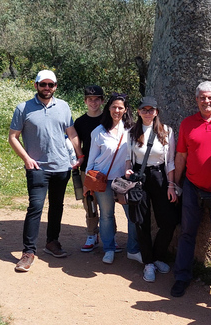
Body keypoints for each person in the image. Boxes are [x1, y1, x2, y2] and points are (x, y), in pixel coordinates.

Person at [9, 70, 82, 273]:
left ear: (56, 86)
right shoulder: (23, 108)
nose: (47, 88)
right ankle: (28, 252)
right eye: (43, 84)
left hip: (61, 166)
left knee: (57, 205)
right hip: (37, 167)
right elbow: (13, 137)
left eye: (51, 85)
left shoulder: (64, 106)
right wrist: (26, 159)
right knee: (35, 207)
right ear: (36, 85)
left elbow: (71, 132)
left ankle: (52, 242)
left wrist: (80, 155)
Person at [170, 81, 211, 297]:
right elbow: (181, 156)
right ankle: (182, 276)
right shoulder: (187, 124)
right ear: (196, 100)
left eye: (210, 97)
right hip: (192, 187)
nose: (206, 101)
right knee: (187, 233)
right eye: (202, 98)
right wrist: (175, 184)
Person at [124, 96, 178, 282]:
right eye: (144, 110)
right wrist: (128, 169)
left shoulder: (167, 131)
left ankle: (157, 256)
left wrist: (171, 185)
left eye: (151, 110)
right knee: (141, 221)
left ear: (156, 112)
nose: (148, 113)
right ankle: (148, 262)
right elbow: (128, 158)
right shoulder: (131, 132)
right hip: (140, 177)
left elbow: (170, 160)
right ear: (138, 112)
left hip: (159, 176)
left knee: (169, 221)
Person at [86, 93, 133, 264]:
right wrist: (87, 182)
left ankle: (133, 248)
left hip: (124, 181)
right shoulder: (98, 132)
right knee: (106, 215)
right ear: (108, 108)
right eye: (114, 107)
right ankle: (109, 248)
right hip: (103, 180)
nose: (117, 110)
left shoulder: (131, 130)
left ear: (125, 110)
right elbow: (92, 159)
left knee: (131, 215)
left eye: (120, 107)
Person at [73, 85, 104, 253]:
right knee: (89, 203)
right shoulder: (80, 122)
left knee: (108, 205)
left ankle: (109, 235)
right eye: (90, 99)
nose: (94, 102)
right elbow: (75, 145)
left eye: (97, 99)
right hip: (87, 169)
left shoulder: (108, 119)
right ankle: (92, 234)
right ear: (85, 101)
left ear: (102, 101)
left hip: (106, 168)